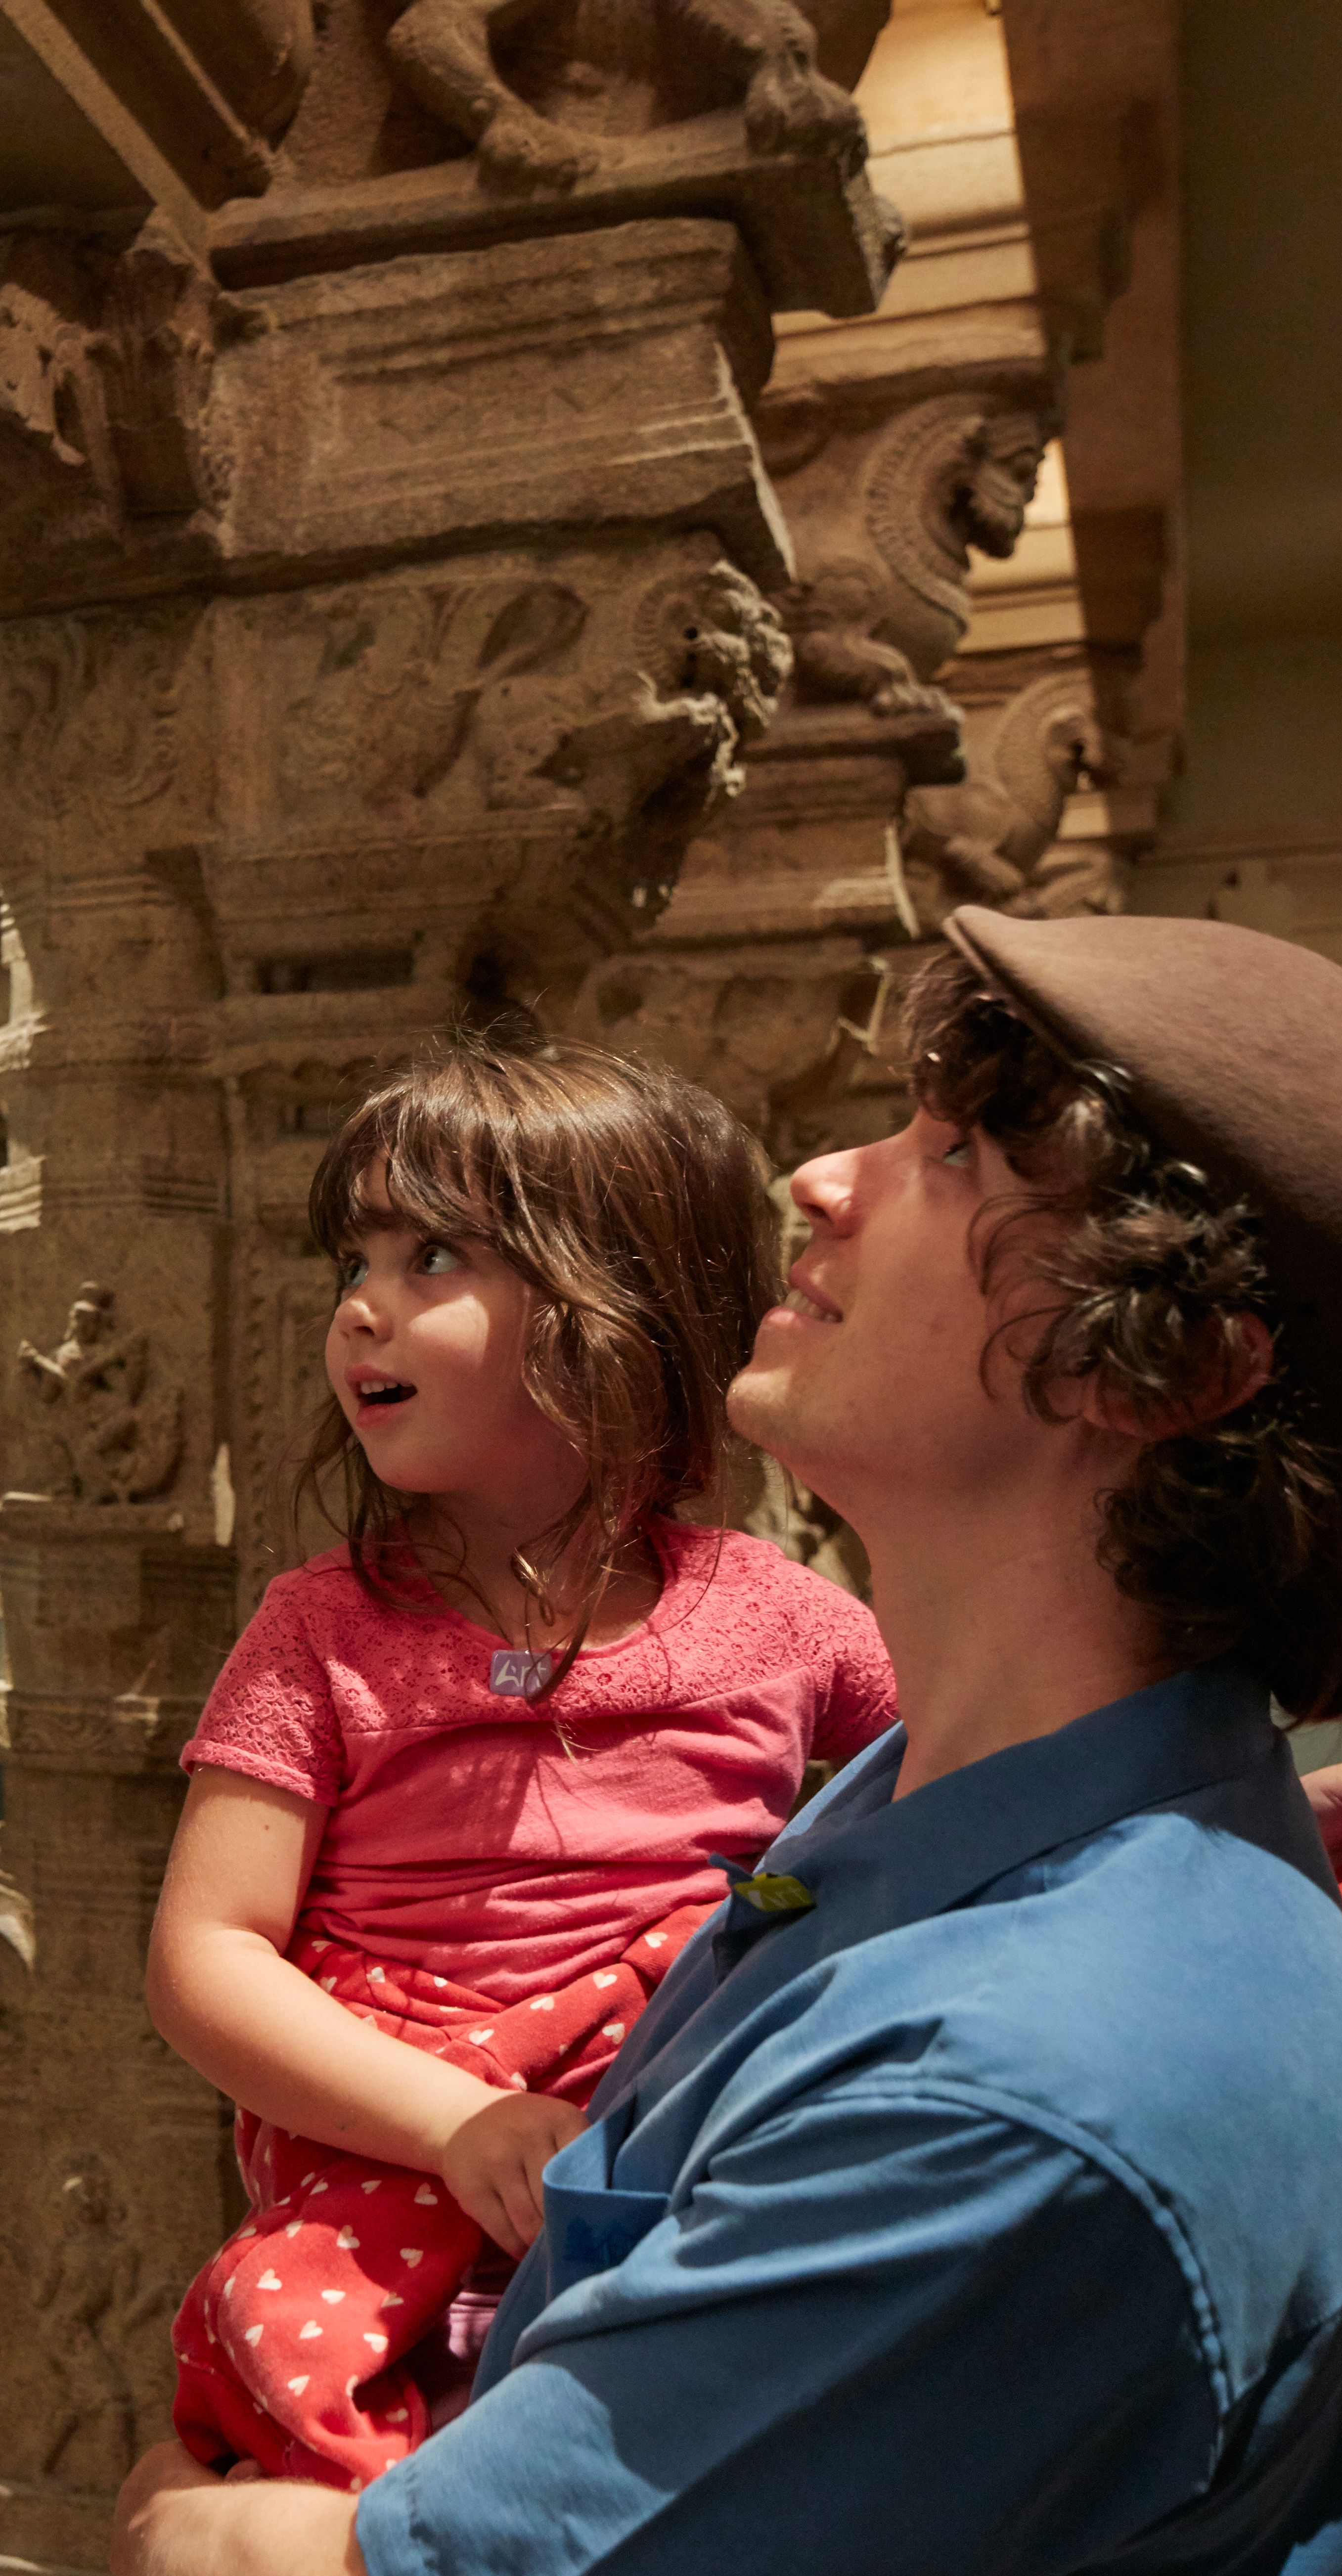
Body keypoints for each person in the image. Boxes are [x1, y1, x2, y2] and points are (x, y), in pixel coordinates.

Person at [113, 908, 1342, 2576]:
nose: (820, 1177)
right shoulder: (927, 1806)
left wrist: (166, 2524)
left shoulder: (1018, 2096)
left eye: (955, 1153)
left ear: (1163, 1365)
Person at [148, 1033, 900, 2484]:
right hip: (392, 2164)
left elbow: (988, 1777)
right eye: (354, 1261)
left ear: (619, 1303)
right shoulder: (321, 1629)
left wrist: (1249, 1813)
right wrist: (460, 2122)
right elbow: (206, 1955)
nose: (360, 1307)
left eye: (432, 1256)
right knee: (301, 2384)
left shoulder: (782, 1616)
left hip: (673, 2163)